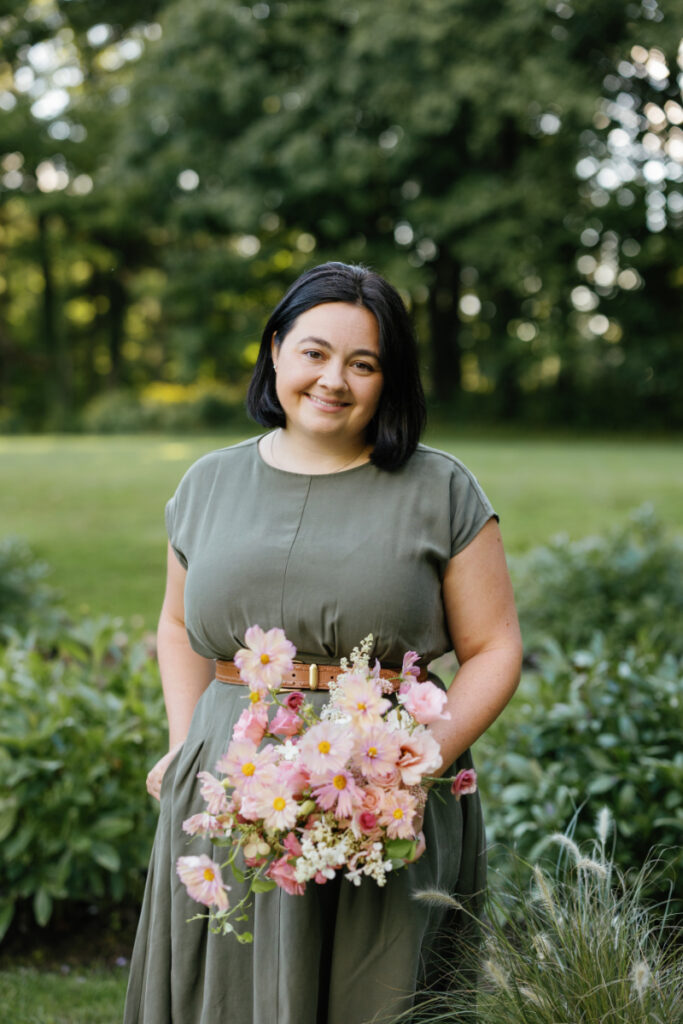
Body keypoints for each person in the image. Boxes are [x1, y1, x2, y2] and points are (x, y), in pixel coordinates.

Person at [124, 261, 522, 1024]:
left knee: (374, 997)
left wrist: (418, 763)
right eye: (313, 352)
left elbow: (495, 647)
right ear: (275, 350)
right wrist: (184, 745)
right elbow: (178, 626)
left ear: (388, 378)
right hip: (233, 782)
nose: (332, 379)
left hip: (383, 798)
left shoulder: (442, 491)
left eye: (362, 363)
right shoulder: (207, 483)